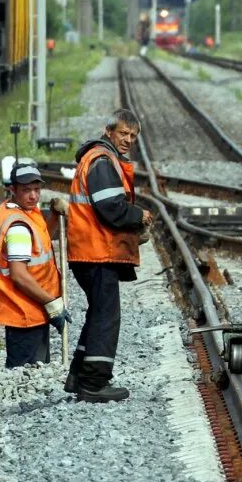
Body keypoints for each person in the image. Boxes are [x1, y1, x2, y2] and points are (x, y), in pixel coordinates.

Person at [63, 109, 154, 403]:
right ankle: (95, 383)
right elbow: (111, 208)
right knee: (106, 316)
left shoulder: (100, 157)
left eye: (133, 136)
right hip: (96, 252)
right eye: (123, 133)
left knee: (97, 313)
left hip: (90, 250)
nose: (127, 140)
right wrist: (139, 215)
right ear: (109, 131)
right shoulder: (102, 161)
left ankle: (79, 375)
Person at [0, 160, 71, 368]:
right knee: (26, 373)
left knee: (31, 370)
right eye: (26, 190)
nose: (33, 196)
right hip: (24, 312)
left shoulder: (22, 211)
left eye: (36, 189)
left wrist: (53, 216)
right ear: (12, 189)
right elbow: (19, 275)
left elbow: (39, 242)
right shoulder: (18, 227)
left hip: (31, 309)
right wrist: (52, 304)